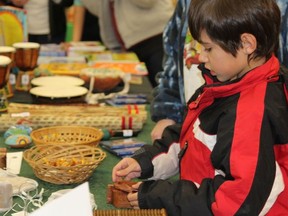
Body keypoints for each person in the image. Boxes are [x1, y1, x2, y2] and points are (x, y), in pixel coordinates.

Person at [112, 0, 288, 215]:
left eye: (208, 48)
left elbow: (235, 201)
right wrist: (147, 162)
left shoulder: (251, 111)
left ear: (247, 44)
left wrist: (160, 196)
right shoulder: (229, 83)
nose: (201, 58)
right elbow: (192, 137)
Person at [150, 0, 288, 141]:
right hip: (194, 124)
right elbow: (173, 57)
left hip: (246, 128)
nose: (202, 57)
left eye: (208, 49)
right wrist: (167, 114)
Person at [71, 0, 175, 87]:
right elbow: (98, 8)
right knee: (149, 98)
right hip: (129, 47)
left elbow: (147, 2)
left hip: (157, 36)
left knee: (168, 91)